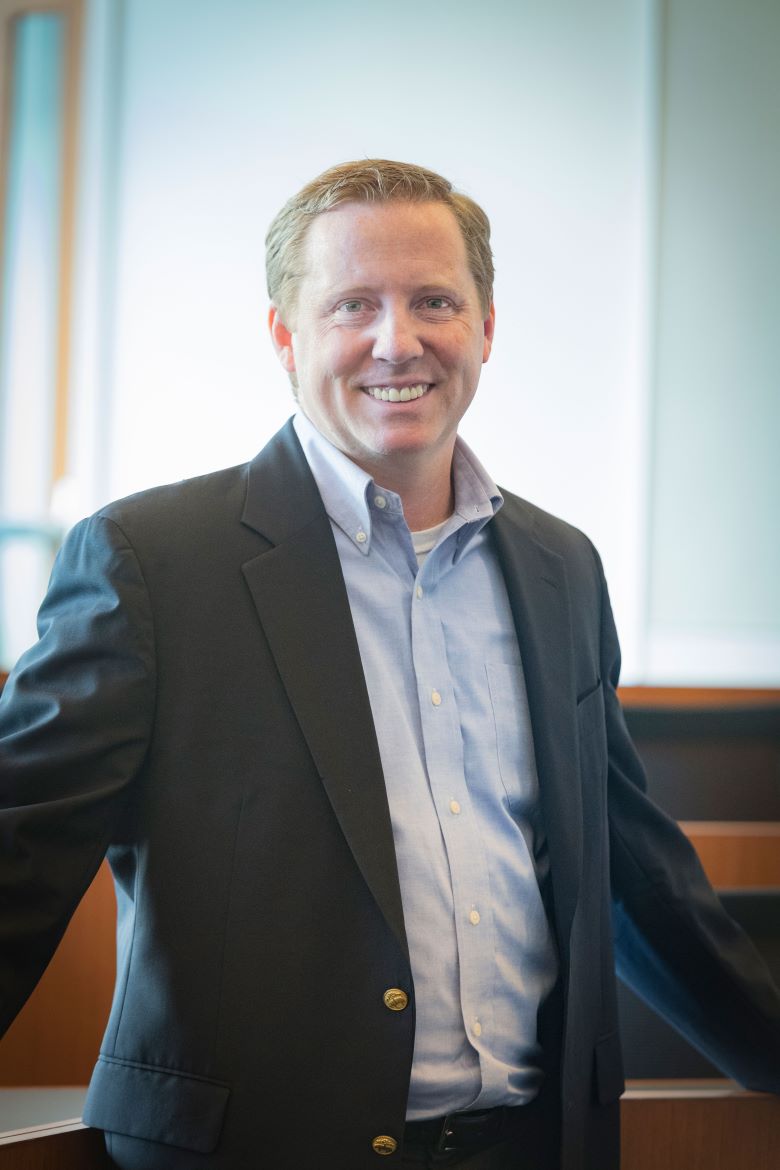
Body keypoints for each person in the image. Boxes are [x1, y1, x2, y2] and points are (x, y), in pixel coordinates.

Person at [0, 159, 778, 1170]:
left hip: (530, 1146)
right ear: (285, 335)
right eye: (352, 304)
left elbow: (632, 866)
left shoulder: (561, 568)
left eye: (434, 302)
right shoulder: (151, 562)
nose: (397, 341)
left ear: (486, 327)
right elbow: (18, 852)